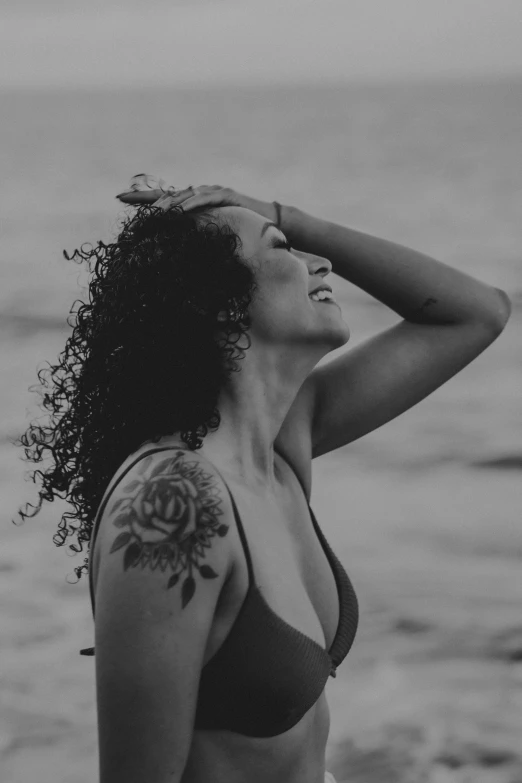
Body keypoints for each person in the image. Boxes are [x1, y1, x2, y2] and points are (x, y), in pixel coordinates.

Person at [16, 174, 511, 783]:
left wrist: (282, 214)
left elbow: (478, 313)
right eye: (284, 247)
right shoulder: (173, 503)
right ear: (218, 300)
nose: (318, 260)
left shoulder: (280, 445)